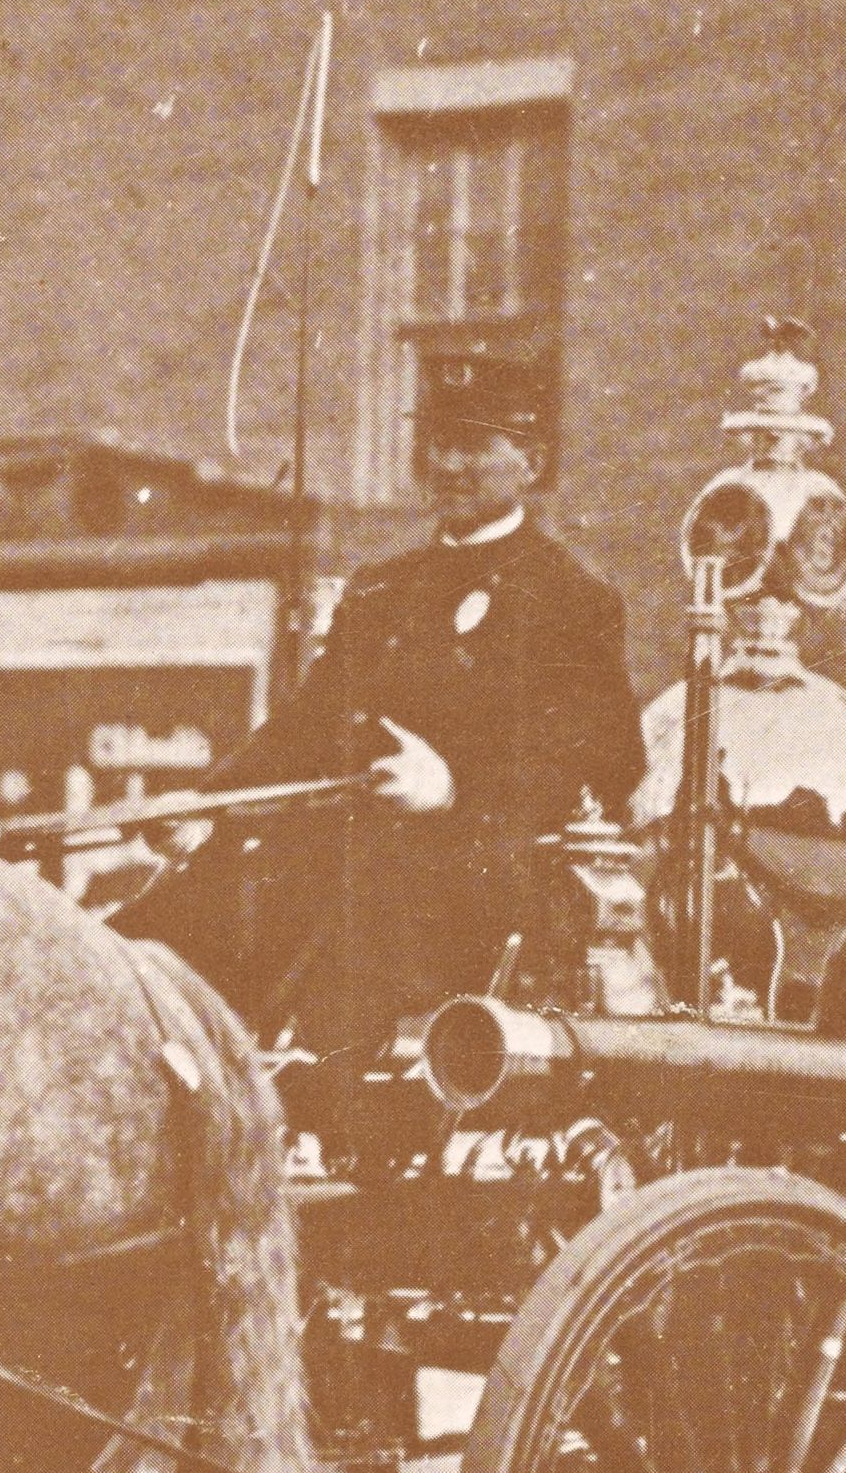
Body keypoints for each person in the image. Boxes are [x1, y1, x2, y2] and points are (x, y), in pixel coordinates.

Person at [128, 349, 644, 1083]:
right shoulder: (382, 589)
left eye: (474, 444)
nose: (450, 464)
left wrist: (451, 788)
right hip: (340, 858)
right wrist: (209, 802)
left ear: (529, 458)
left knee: (352, 915)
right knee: (154, 933)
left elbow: (602, 763)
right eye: (438, 443)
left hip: (475, 880)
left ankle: (306, 1091)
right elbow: (310, 723)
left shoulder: (571, 598)